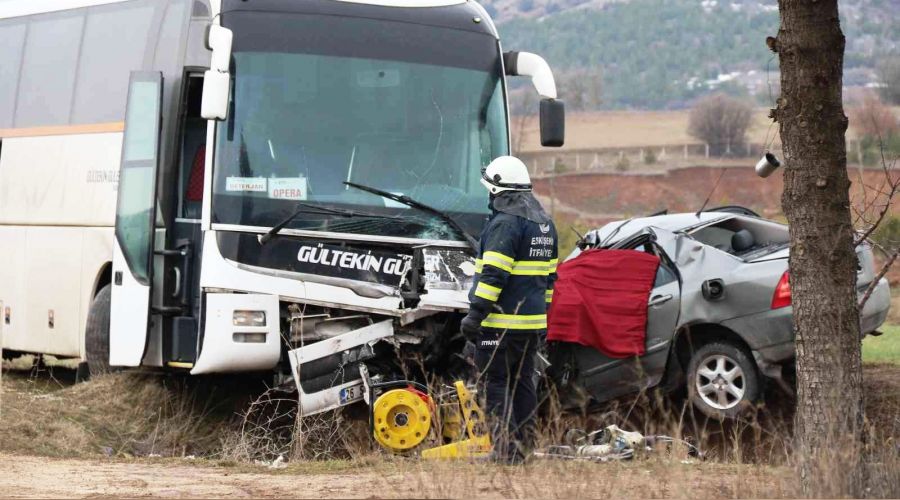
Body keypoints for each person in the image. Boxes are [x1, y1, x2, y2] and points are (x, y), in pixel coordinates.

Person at [460, 156, 559, 464]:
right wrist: (544, 317)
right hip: (531, 325)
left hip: (500, 323)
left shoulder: (505, 223)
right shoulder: (544, 223)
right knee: (523, 382)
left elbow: (493, 275)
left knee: (497, 383)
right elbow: (550, 278)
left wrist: (475, 314)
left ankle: (504, 452)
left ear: (498, 189)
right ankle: (524, 448)